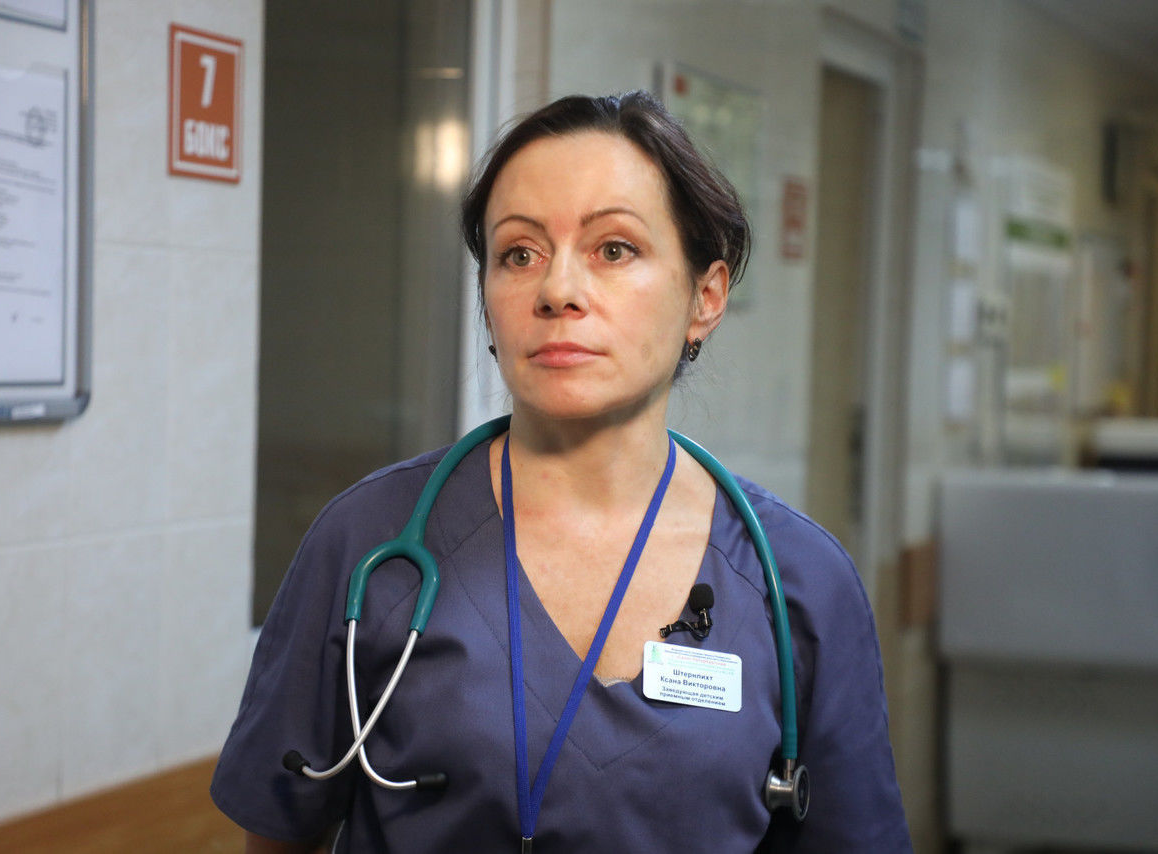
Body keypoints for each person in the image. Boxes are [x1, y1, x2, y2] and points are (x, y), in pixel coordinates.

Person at [211, 91, 911, 852]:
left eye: (614, 250)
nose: (557, 291)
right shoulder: (366, 542)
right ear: (488, 300)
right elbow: (279, 837)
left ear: (705, 297)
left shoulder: (799, 581)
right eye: (520, 254)